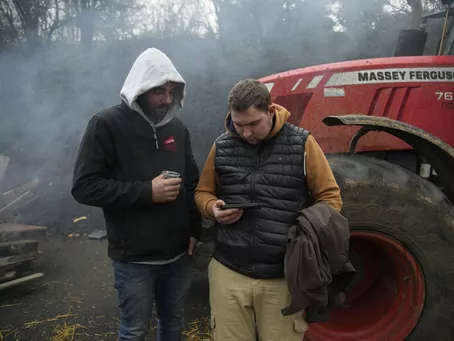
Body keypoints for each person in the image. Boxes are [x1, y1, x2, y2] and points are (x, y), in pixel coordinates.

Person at [194, 78, 343, 341]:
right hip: (229, 271)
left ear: (271, 111)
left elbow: (330, 198)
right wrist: (212, 209)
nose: (246, 133)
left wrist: (304, 234)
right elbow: (203, 192)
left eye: (253, 124)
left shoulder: (302, 144)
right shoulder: (222, 145)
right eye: (239, 125)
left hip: (283, 276)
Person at [71, 47, 201, 341]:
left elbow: (192, 182)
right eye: (158, 91)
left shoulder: (178, 129)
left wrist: (195, 229)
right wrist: (146, 192)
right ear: (140, 88)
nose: (166, 99)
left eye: (171, 91)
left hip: (178, 255)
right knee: (133, 331)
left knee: (173, 326)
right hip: (134, 258)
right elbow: (84, 186)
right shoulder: (106, 125)